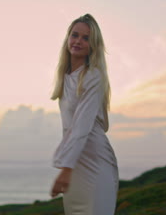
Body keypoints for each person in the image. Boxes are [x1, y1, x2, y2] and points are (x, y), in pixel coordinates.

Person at [50, 13, 119, 215]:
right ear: (67, 38)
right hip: (75, 165)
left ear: (93, 46)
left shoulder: (93, 76)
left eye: (86, 38)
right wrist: (69, 167)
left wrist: (65, 168)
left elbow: (82, 127)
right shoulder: (65, 76)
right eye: (75, 35)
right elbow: (69, 128)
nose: (78, 41)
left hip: (95, 164)